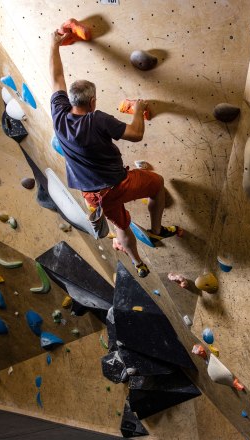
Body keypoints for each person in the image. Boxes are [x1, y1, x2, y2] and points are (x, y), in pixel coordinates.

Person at [48, 29, 178, 277]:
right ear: (93, 101)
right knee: (157, 183)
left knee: (122, 226)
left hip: (92, 196)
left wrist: (54, 45)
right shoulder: (97, 119)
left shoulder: (59, 115)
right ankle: (156, 230)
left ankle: (138, 263)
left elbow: (56, 78)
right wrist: (138, 109)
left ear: (70, 101)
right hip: (117, 186)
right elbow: (135, 134)